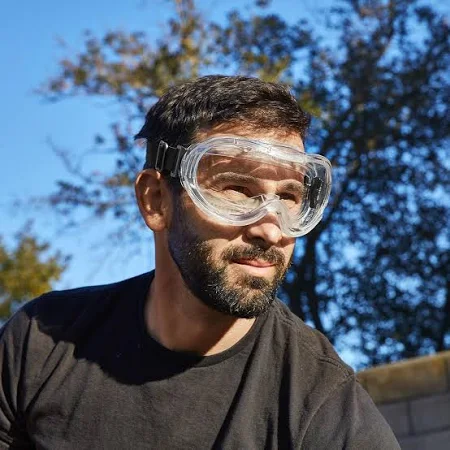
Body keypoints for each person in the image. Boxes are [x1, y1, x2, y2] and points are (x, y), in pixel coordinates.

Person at [0, 75, 400, 449]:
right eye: (237, 189)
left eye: (289, 197)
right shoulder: (41, 343)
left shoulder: (321, 400)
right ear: (156, 200)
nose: (271, 229)